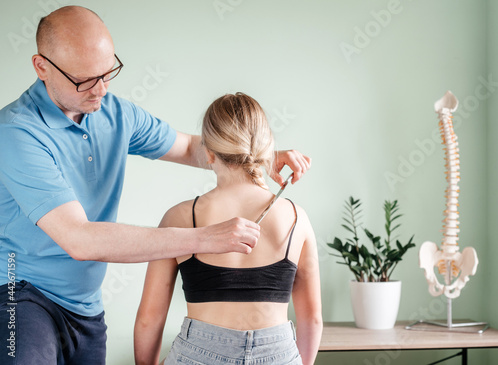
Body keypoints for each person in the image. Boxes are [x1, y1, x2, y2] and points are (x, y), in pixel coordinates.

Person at [0, 6, 311, 364]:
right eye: (85, 79)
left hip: (84, 303)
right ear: (42, 67)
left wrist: (261, 157)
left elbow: (196, 149)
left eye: (108, 72)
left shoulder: (115, 113)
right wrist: (205, 237)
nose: (101, 89)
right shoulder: (16, 133)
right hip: (21, 292)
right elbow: (79, 239)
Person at [134, 93, 322, 365]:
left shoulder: (179, 217)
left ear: (209, 152)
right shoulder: (296, 218)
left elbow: (149, 319)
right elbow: (312, 319)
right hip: (279, 353)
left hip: (197, 353)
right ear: (266, 146)